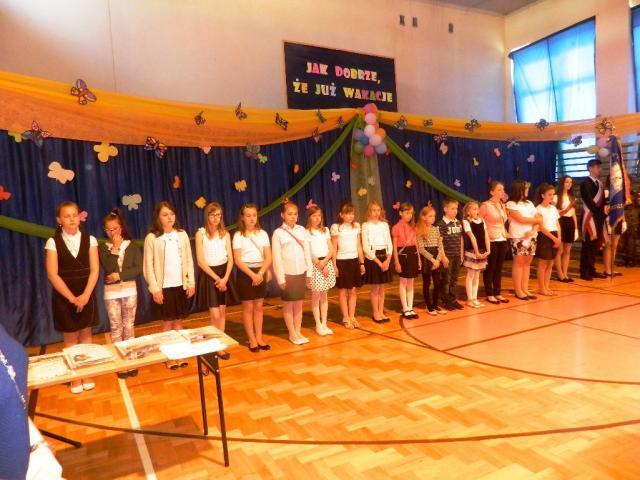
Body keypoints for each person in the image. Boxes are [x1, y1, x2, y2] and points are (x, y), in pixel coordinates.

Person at [45, 201, 99, 393]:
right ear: (59, 220)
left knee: (86, 334)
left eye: (74, 215)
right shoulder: (53, 242)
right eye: (67, 216)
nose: (71, 219)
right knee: (70, 337)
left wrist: (85, 295)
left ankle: (87, 373)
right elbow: (52, 274)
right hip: (64, 295)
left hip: (86, 293)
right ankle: (75, 377)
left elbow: (95, 270)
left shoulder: (90, 240)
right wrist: (72, 298)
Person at [143, 201, 196, 369]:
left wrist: (191, 282)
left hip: (180, 285)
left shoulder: (182, 234)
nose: (169, 217)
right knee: (167, 323)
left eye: (171, 214)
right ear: (158, 217)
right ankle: (169, 356)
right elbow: (148, 266)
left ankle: (179, 353)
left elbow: (189, 260)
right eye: (165, 215)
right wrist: (155, 289)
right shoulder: (152, 238)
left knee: (178, 322)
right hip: (164, 288)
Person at [98, 209, 143, 378]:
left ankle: (131, 360)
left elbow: (138, 268)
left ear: (121, 228)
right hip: (111, 293)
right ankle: (120, 363)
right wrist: (115, 248)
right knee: (116, 327)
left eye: (115, 229)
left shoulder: (131, 245)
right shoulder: (104, 248)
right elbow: (108, 267)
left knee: (129, 325)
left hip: (129, 290)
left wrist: (119, 276)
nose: (112, 233)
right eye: (108, 230)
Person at [195, 202, 235, 360]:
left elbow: (230, 259)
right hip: (210, 275)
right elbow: (200, 261)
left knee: (222, 312)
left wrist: (225, 278)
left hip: (223, 274)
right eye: (213, 215)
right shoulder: (201, 234)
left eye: (219, 215)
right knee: (215, 314)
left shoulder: (225, 234)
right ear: (207, 216)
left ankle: (220, 345)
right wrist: (217, 278)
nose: (216, 218)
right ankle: (214, 343)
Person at [232, 203, 272, 352]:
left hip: (260, 271)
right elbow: (237, 259)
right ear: (242, 217)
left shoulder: (263, 233)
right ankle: (251, 339)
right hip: (245, 273)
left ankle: (259, 337)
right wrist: (252, 275)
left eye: (254, 215)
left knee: (259, 306)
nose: (252, 218)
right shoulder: (238, 235)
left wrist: (260, 273)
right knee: (248, 307)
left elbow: (268, 256)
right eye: (248, 216)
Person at [272, 201, 311, 345]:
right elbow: (276, 258)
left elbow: (307, 251)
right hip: (287, 274)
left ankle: (298, 331)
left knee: (299, 304)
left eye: (295, 214)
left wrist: (309, 273)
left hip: (301, 272)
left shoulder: (302, 230)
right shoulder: (278, 233)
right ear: (282, 215)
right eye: (289, 214)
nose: (293, 217)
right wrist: (280, 278)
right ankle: (292, 333)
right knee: (288, 304)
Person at [331, 202, 365, 329]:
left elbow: (359, 246)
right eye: (348, 214)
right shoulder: (336, 227)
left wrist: (362, 263)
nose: (351, 216)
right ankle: (345, 317)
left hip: (354, 261)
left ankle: (352, 316)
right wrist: (334, 265)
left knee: (353, 290)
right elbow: (334, 248)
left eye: (352, 214)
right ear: (341, 215)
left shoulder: (356, 226)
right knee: (343, 290)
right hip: (342, 261)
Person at [506, 181, 541, 300]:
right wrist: (535, 220)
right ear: (519, 189)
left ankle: (525, 289)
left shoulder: (529, 203)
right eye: (525, 188)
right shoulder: (511, 204)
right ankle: (518, 290)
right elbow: (520, 219)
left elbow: (539, 218)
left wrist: (533, 230)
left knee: (527, 263)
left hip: (532, 236)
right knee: (519, 263)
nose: (527, 190)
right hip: (519, 237)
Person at [305, 205, 336, 336]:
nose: (317, 218)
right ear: (309, 217)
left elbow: (331, 248)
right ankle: (318, 324)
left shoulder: (325, 230)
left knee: (324, 295)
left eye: (319, 215)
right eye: (314, 216)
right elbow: (309, 251)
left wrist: (325, 262)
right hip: (315, 265)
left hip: (326, 263)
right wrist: (319, 264)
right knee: (316, 296)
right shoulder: (307, 232)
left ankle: (324, 323)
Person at [361, 201, 393, 323]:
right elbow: (365, 247)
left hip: (385, 257)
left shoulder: (384, 225)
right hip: (373, 259)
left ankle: (381, 311)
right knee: (375, 288)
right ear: (369, 211)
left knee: (382, 287)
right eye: (373, 210)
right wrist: (379, 263)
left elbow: (389, 242)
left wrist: (388, 260)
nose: (376, 213)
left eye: (378, 210)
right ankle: (375, 313)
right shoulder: (365, 225)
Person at [480, 181, 510, 304]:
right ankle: (489, 293)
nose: (502, 192)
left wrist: (506, 232)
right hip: (491, 240)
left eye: (503, 189)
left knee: (499, 267)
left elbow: (503, 221)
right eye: (499, 189)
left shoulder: (502, 205)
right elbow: (479, 222)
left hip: (502, 238)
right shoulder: (485, 205)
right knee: (490, 268)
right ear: (491, 192)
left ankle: (497, 292)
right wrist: (485, 237)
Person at [579, 159, 608, 281]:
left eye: (600, 167)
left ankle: (592, 269)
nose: (599, 169)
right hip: (589, 217)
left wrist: (605, 208)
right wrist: (599, 212)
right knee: (587, 245)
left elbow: (603, 201)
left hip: (598, 218)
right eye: (597, 167)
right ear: (590, 168)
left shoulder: (599, 183)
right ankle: (584, 271)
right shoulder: (585, 183)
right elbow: (590, 201)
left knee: (594, 245)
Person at [392, 202, 421, 319]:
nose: (409, 215)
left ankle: (410, 307)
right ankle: (405, 308)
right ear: (400, 213)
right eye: (407, 213)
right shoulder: (396, 227)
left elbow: (416, 244)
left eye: (411, 213)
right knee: (403, 282)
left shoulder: (413, 227)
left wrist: (418, 259)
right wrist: (396, 261)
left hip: (413, 254)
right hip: (402, 255)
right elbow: (394, 247)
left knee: (411, 282)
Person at [416, 205, 446, 315]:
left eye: (434, 216)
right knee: (427, 283)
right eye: (430, 216)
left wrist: (438, 259)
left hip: (436, 256)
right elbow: (421, 248)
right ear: (423, 217)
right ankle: (429, 306)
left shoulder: (435, 229)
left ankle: (435, 304)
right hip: (427, 258)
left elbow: (440, 245)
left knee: (438, 283)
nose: (433, 218)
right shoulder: (419, 230)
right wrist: (432, 260)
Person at [535, 183, 562, 296]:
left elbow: (557, 224)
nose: (552, 197)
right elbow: (541, 227)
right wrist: (553, 238)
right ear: (542, 195)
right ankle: (541, 288)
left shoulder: (553, 208)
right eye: (549, 194)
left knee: (550, 263)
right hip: (544, 236)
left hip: (554, 235)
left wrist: (559, 238)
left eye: (553, 194)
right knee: (543, 264)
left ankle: (547, 286)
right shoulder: (538, 209)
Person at [437, 198, 464, 311]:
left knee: (454, 278)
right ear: (445, 209)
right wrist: (443, 256)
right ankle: (445, 300)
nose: (455, 211)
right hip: (447, 256)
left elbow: (460, 238)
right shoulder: (441, 224)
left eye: (456, 208)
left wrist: (461, 253)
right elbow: (439, 242)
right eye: (452, 208)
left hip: (456, 255)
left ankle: (453, 299)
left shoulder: (458, 222)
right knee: (446, 279)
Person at [462, 201, 490, 308]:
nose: (477, 211)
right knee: (471, 275)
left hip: (482, 251)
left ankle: (475, 298)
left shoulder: (482, 221)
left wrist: (488, 250)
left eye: (477, 209)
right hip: (472, 251)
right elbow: (472, 237)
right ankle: (470, 299)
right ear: (468, 212)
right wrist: (476, 251)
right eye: (474, 209)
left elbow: (486, 235)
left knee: (477, 275)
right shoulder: (466, 222)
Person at [553, 176, 578, 282]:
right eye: (567, 182)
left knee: (567, 250)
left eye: (571, 182)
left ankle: (565, 273)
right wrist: (567, 208)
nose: (569, 184)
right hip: (560, 222)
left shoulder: (571, 197)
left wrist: (576, 228)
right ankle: (560, 274)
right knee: (560, 250)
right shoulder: (555, 197)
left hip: (570, 222)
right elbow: (556, 214)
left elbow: (573, 214)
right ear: (562, 183)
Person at [619, 191, 639, 267]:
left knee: (631, 243)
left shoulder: (636, 206)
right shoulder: (625, 205)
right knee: (624, 242)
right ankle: (625, 259)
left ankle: (631, 260)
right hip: (625, 223)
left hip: (633, 224)